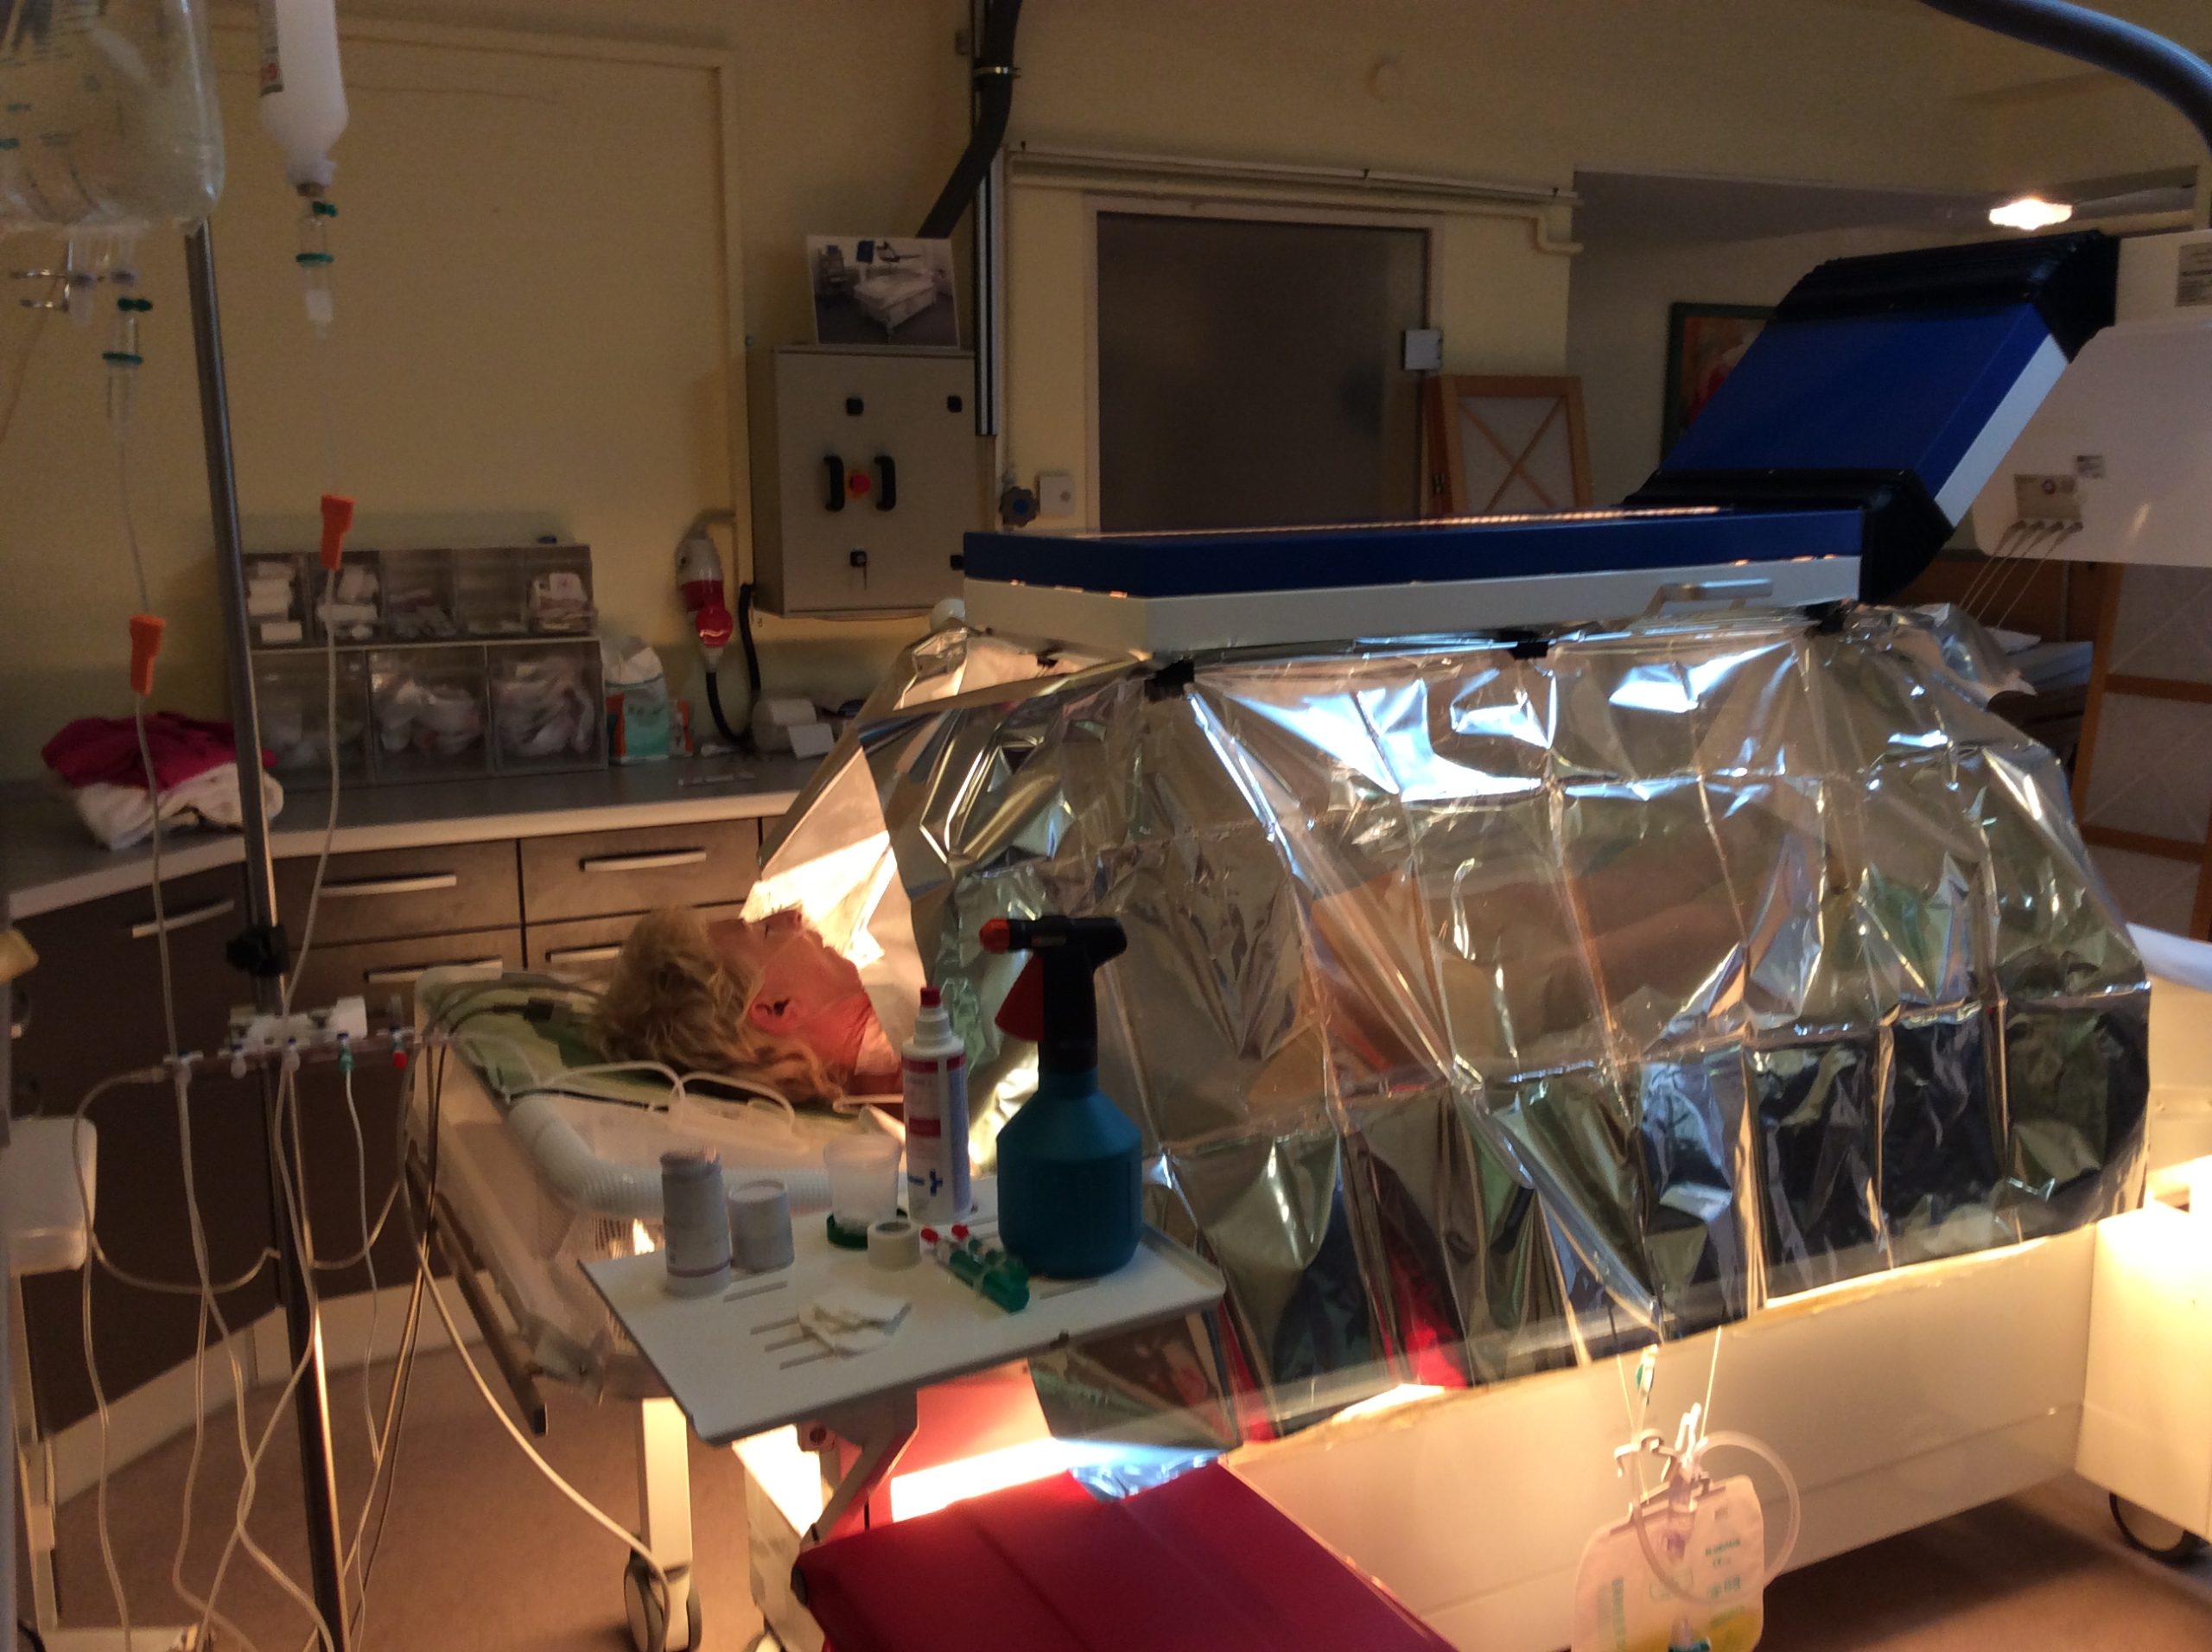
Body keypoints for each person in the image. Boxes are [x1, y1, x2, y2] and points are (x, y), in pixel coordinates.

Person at [594, 905, 899, 1103]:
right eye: (767, 931)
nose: (793, 915)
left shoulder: (893, 1036)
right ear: (776, 1009)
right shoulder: (912, 1082)